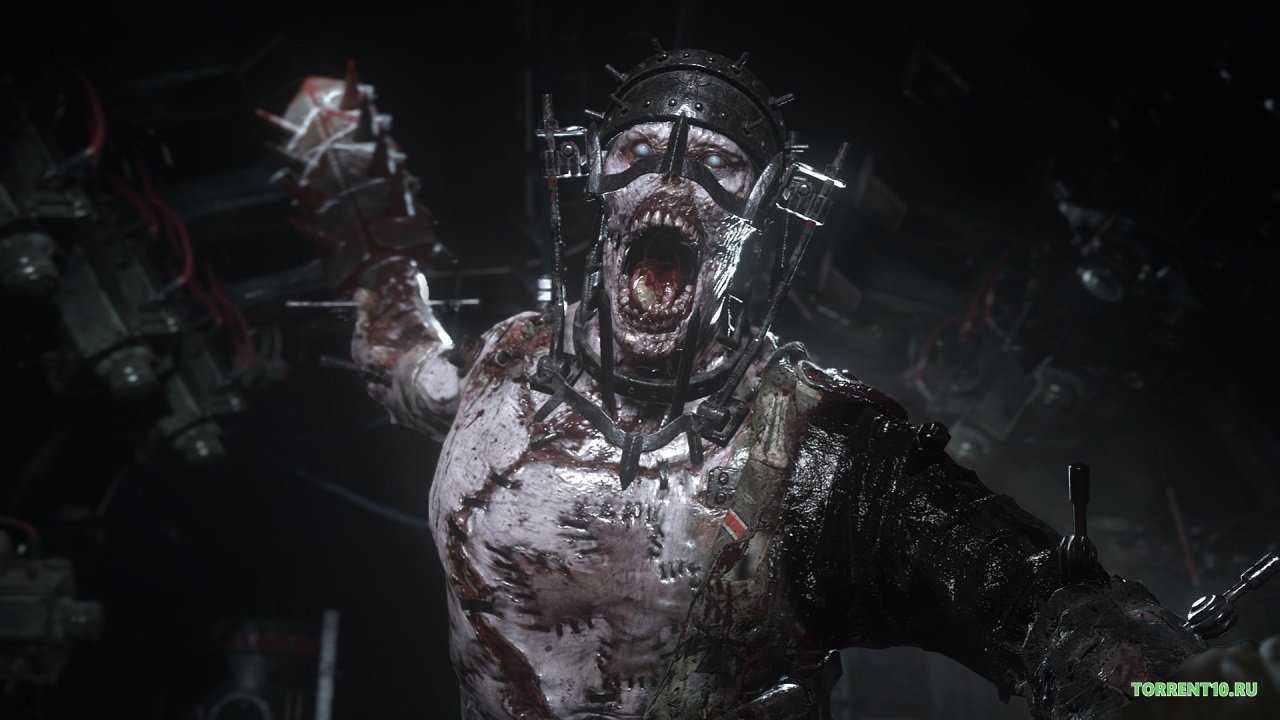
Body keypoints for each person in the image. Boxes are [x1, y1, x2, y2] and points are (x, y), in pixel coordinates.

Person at [261, 47, 1270, 720]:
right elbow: (408, 367)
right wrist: (363, 220)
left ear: (754, 227)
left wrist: (1194, 690)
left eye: (720, 167)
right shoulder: (508, 360)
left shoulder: (823, 455)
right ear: (596, 189)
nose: (673, 181)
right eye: (637, 152)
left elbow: (1035, 604)